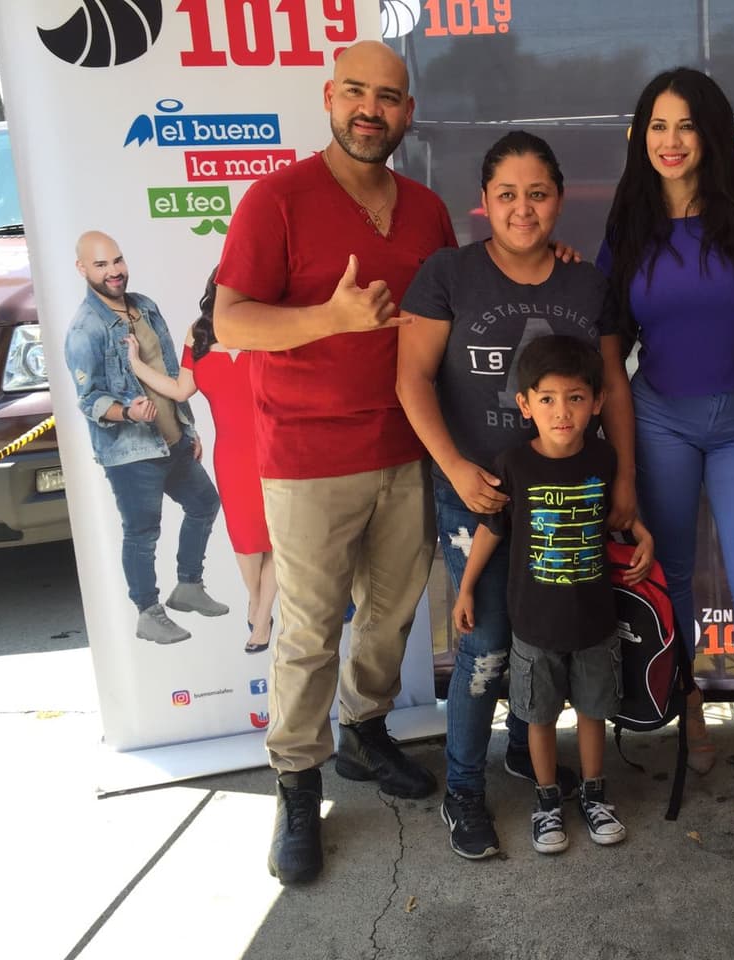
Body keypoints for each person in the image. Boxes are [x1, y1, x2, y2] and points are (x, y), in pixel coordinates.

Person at [213, 40, 450, 885]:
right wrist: (329, 319)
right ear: (328, 96)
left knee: (391, 614)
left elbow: (453, 312)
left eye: (388, 97)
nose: (371, 110)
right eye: (356, 91)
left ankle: (365, 731)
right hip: (309, 455)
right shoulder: (276, 199)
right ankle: (295, 783)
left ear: (407, 113)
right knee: (310, 628)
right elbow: (232, 323)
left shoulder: (426, 210)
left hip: (406, 448)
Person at [398, 130, 637, 860]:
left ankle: (516, 753)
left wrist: (624, 476)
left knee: (556, 635)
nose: (523, 209)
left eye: (537, 194)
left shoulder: (585, 282)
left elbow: (615, 385)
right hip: (479, 492)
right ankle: (462, 791)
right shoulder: (449, 274)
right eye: (507, 194)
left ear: (559, 199)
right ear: (484, 202)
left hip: (565, 500)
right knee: (488, 642)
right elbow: (411, 377)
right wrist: (457, 469)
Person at [597, 68, 734, 842]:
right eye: (657, 125)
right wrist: (621, 454)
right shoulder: (632, 222)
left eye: (685, 126)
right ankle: (693, 726)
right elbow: (612, 351)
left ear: (712, 133)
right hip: (660, 424)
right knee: (670, 580)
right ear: (641, 136)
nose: (670, 142)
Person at [451, 335, 653, 854]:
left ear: (597, 403)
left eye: (576, 398)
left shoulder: (604, 459)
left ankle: (594, 795)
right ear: (525, 405)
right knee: (538, 718)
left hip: (595, 624)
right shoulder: (514, 463)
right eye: (547, 399)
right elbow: (491, 530)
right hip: (534, 628)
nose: (562, 412)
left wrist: (644, 537)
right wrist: (466, 587)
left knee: (591, 712)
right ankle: (546, 803)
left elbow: (623, 519)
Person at [65, 231, 228, 646]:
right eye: (101, 265)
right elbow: (88, 400)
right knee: (142, 532)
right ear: (82, 269)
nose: (114, 271)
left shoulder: (146, 307)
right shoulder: (85, 330)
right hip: (131, 452)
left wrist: (187, 428)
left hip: (171, 441)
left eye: (117, 260)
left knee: (205, 504)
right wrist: (126, 412)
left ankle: (188, 586)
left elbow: (172, 370)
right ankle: (148, 611)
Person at [124, 270, 276, 655]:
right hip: (233, 453)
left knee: (277, 537)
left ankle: (261, 617)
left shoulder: (270, 325)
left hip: (276, 446)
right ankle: (258, 602)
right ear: (215, 292)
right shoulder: (198, 332)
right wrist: (137, 364)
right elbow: (180, 388)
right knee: (245, 541)